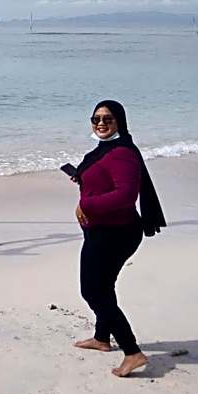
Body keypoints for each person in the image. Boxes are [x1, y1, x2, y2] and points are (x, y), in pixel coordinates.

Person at [73, 99, 165, 378]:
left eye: (108, 119)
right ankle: (102, 338)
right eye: (96, 119)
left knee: (92, 291)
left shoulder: (122, 153)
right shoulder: (106, 150)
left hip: (115, 233)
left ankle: (132, 351)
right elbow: (104, 179)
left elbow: (126, 196)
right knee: (104, 286)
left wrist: (86, 205)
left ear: (119, 122)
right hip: (103, 230)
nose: (101, 123)